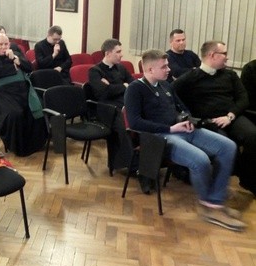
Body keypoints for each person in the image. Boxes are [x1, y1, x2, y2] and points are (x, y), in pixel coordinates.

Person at [124, 49, 245, 231]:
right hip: (160, 136)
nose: (168, 69)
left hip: (182, 129)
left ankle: (215, 201)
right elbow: (135, 122)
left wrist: (187, 119)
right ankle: (209, 206)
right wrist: (169, 128)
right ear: (149, 70)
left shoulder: (165, 85)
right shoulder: (135, 89)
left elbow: (182, 107)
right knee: (200, 160)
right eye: (164, 67)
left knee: (228, 146)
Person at [172, 40, 256, 196]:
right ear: (212, 55)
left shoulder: (230, 75)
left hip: (231, 116)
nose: (227, 57)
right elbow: (173, 95)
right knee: (228, 147)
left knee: (253, 136)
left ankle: (249, 180)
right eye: (224, 53)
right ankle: (219, 187)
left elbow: (243, 98)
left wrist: (230, 116)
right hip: (209, 122)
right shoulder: (191, 77)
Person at [0, 33, 45, 156]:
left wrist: (16, 60)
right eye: (0, 44)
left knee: (35, 109)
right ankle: (17, 147)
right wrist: (13, 69)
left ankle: (36, 144)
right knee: (14, 114)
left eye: (6, 44)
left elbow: (29, 68)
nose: (4, 47)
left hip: (21, 91)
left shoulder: (15, 55)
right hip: (2, 95)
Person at [88, 39, 134, 107]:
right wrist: (124, 86)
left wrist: (110, 86)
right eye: (118, 52)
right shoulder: (94, 71)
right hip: (108, 106)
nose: (121, 55)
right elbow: (104, 93)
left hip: (123, 99)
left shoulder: (121, 67)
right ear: (107, 54)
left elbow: (133, 83)